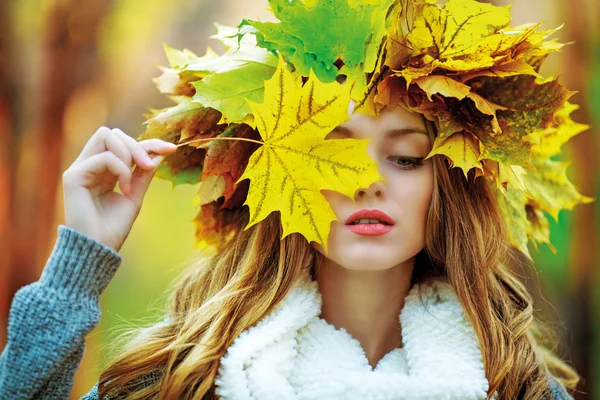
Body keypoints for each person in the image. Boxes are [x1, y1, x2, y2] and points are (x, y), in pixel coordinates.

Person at [0, 0, 588, 399]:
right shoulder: (185, 379)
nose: (367, 180)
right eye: (334, 152)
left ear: (450, 187)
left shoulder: (515, 383)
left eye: (405, 157)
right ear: (277, 173)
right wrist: (78, 266)